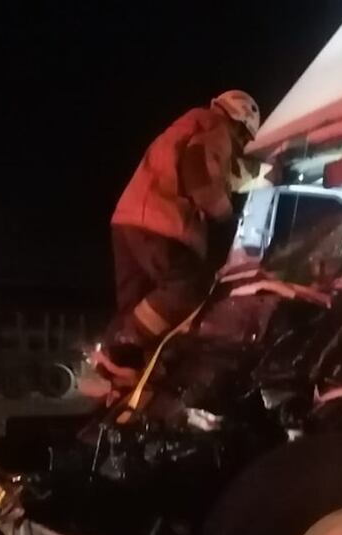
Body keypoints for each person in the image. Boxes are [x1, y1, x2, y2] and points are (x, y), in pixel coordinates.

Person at [99, 90, 261, 380]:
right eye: (245, 138)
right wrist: (225, 216)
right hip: (160, 224)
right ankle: (123, 345)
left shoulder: (192, 124)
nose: (242, 146)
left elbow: (230, 174)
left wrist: (263, 175)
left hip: (128, 221)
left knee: (139, 305)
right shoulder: (216, 128)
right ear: (239, 123)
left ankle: (117, 368)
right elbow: (200, 173)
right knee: (188, 287)